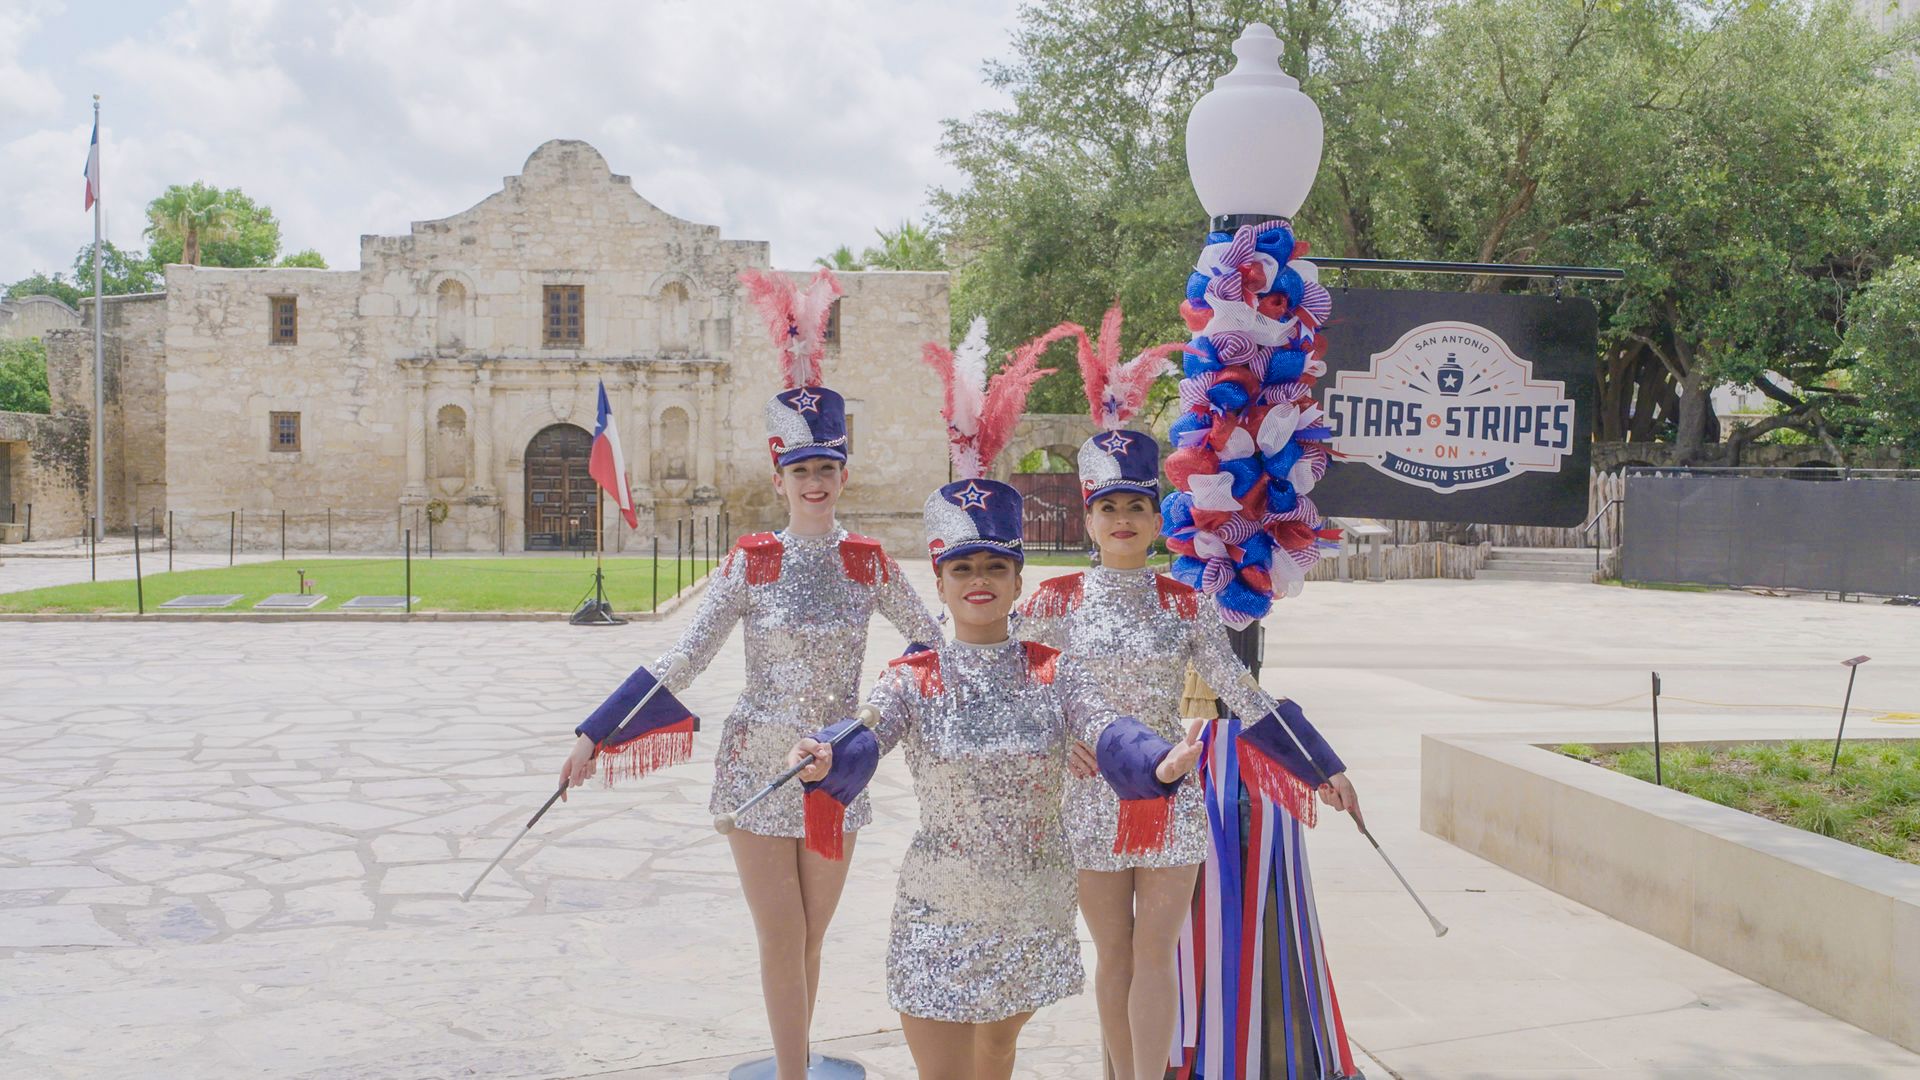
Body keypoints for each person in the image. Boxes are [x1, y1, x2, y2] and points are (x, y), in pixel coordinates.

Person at [558, 268, 941, 1080]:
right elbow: (683, 657)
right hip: (755, 770)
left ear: (843, 475)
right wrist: (600, 730)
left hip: (835, 771)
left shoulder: (870, 562)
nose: (813, 482)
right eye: (799, 470)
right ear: (780, 478)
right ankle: (793, 1074)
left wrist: (869, 722)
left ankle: (795, 1061)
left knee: (811, 935)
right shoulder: (751, 561)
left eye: (825, 469)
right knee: (778, 935)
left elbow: (928, 645)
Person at [1014, 312, 1360, 1080]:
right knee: (1113, 956)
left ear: (1155, 516)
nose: (1124, 520)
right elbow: (998, 669)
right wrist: (1050, 734)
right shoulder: (1054, 600)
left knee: (1156, 953)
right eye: (1109, 508)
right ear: (1090, 516)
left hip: (1172, 795)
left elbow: (1241, 690)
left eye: (1137, 506)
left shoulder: (1185, 600)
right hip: (1093, 796)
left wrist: (1322, 765)